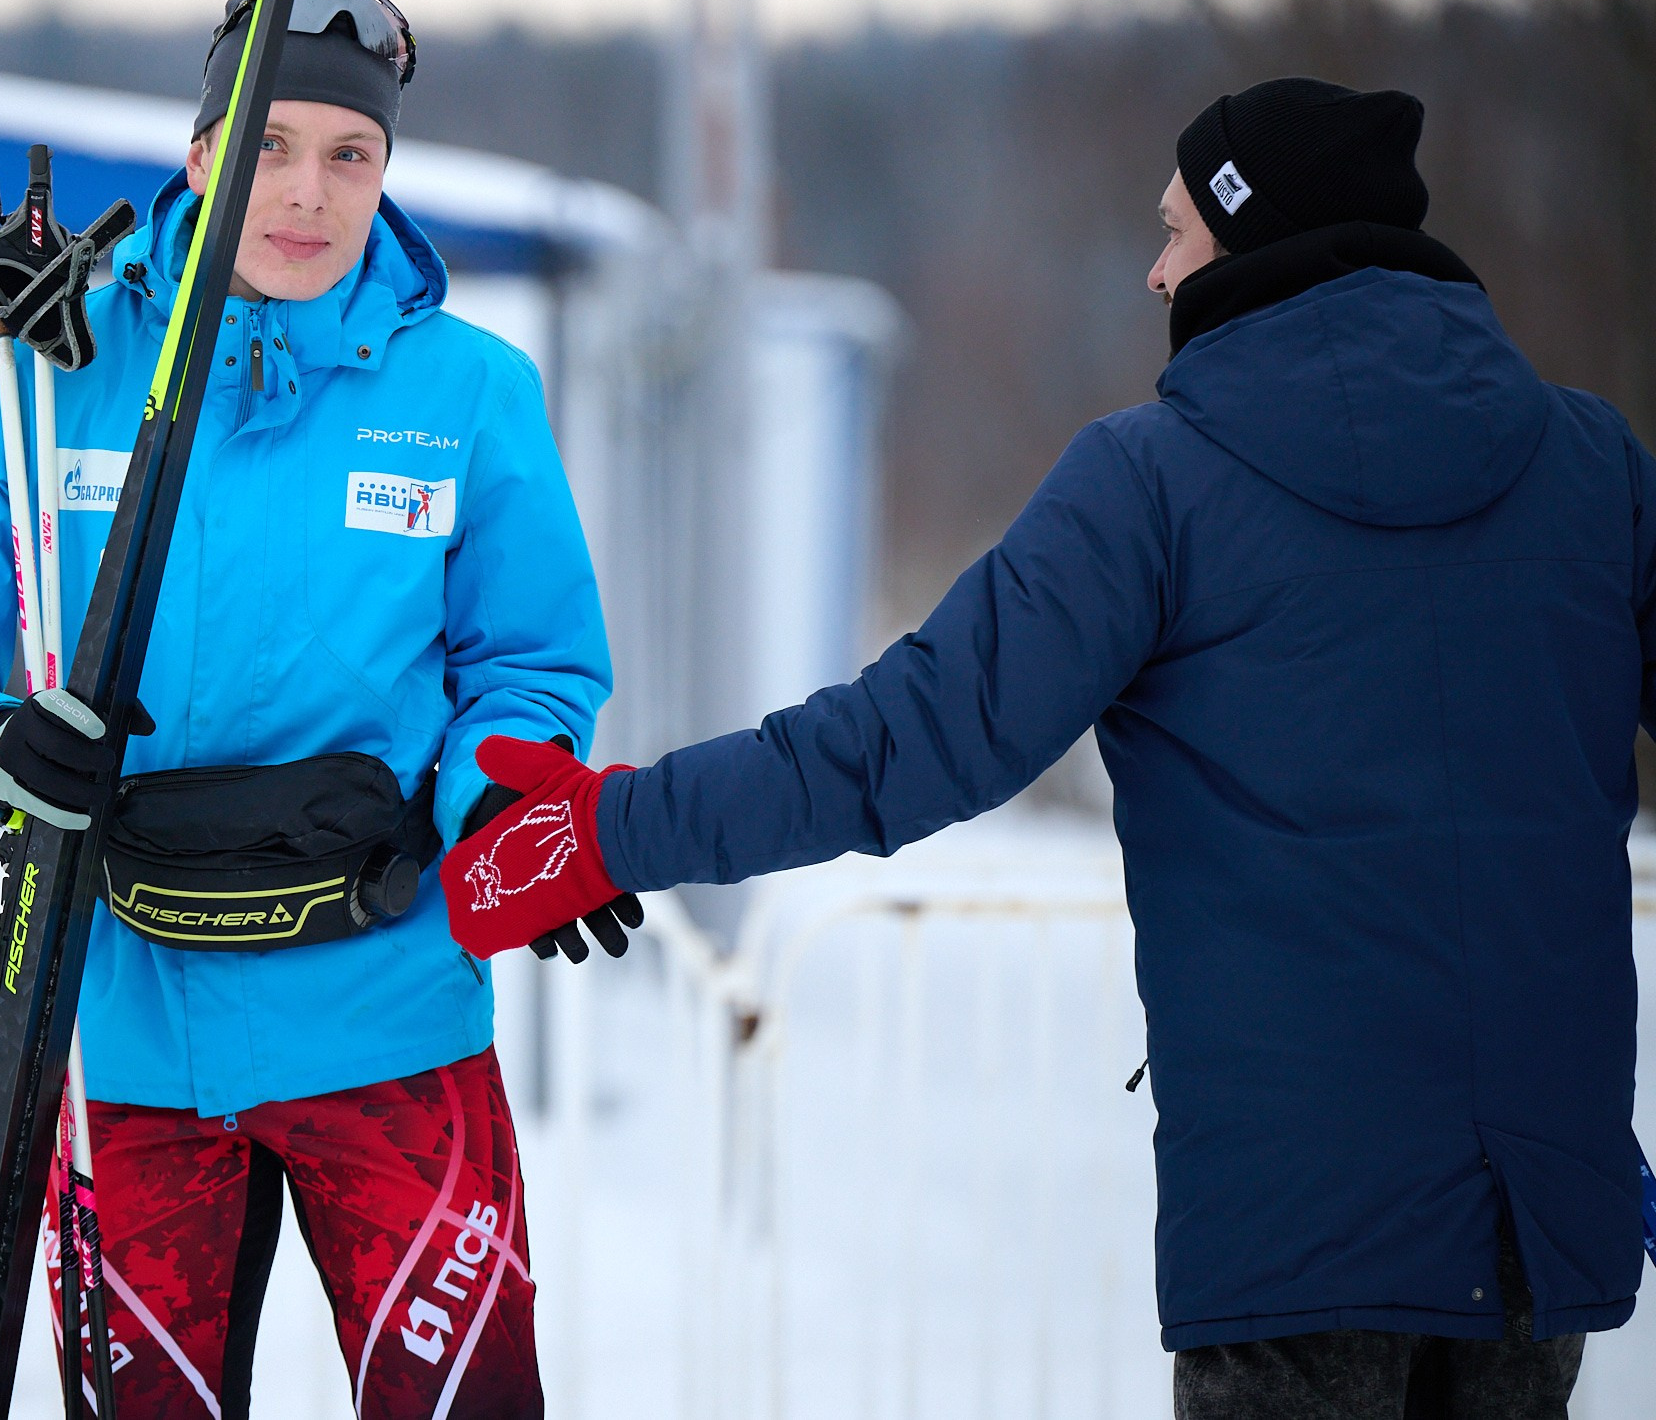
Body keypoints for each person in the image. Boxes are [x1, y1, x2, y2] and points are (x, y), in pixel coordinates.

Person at [443, 79, 1650, 1418]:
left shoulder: (1157, 480)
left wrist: (611, 827)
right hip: (1541, 1218)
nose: (1153, 268)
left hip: (1301, 1225)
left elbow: (906, 739)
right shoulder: (1596, 468)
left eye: (1178, 229)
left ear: (1257, 236)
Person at [0, 0, 609, 1417]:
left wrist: (507, 784)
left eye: (350, 154)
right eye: (267, 144)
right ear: (200, 151)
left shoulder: (470, 391)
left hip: (392, 1012)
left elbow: (531, 662)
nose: (307, 194)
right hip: (125, 1023)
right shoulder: (46, 365)